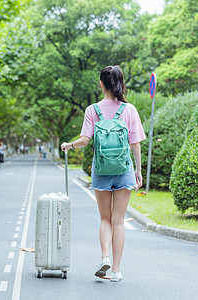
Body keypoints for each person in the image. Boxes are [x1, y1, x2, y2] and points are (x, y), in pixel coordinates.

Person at [61, 66, 145, 282]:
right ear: (120, 83)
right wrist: (138, 170)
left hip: (101, 169)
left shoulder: (92, 110)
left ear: (101, 84)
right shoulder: (129, 110)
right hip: (124, 169)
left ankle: (104, 256)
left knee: (105, 219)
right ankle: (116, 270)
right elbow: (134, 143)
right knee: (119, 221)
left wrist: (68, 145)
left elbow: (84, 141)